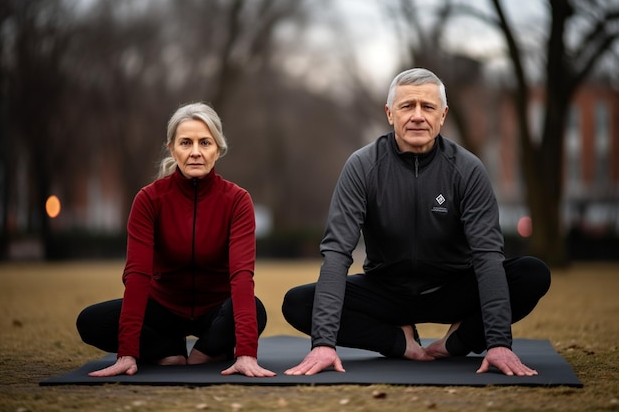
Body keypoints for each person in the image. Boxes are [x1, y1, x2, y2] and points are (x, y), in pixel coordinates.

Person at [282, 68, 551, 377]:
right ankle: (400, 339)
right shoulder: (362, 166)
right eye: (407, 106)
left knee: (532, 274)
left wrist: (498, 342)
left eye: (428, 107)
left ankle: (456, 341)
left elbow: (488, 254)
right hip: (386, 290)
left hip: (452, 288)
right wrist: (324, 344)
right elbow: (337, 252)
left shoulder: (467, 169)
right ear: (390, 113)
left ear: (443, 115)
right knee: (298, 304)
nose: (418, 116)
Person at [76, 102, 275, 378]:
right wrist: (127, 352)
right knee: (90, 321)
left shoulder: (237, 200)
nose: (195, 152)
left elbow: (242, 275)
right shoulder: (148, 200)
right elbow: (136, 275)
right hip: (163, 311)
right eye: (185, 143)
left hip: (215, 312)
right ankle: (167, 350)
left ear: (218, 148)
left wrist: (246, 354)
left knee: (256, 309)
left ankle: (206, 350)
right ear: (172, 148)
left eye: (205, 142)